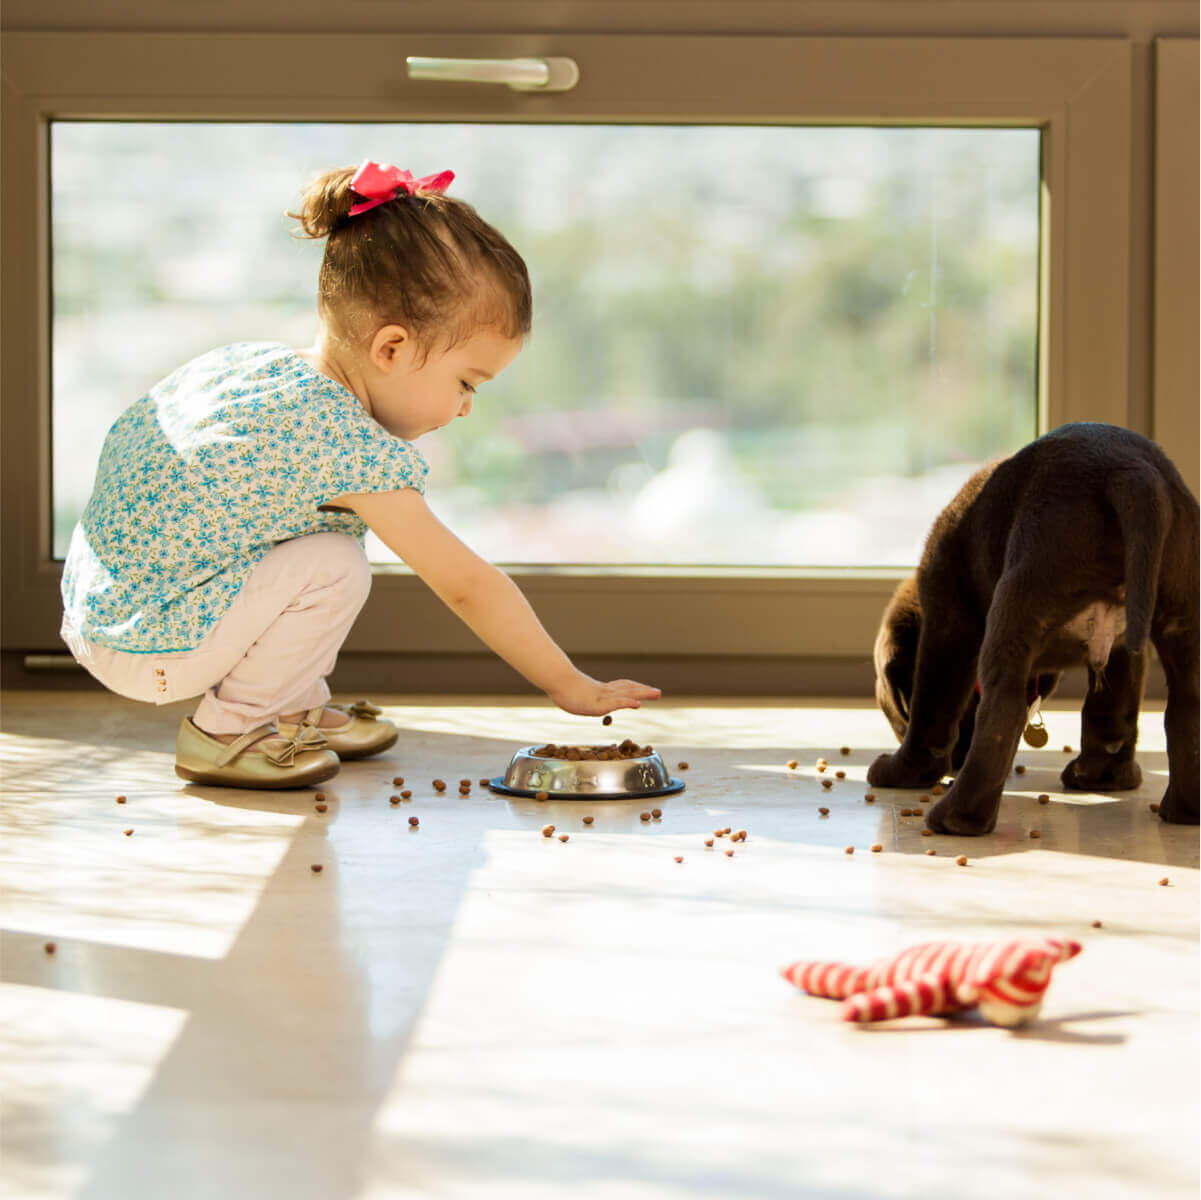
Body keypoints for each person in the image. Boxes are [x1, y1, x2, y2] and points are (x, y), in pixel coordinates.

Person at [60, 160, 661, 789]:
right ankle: (229, 730)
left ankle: (292, 709)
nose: (464, 408)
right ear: (392, 349)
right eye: (465, 383)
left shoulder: (256, 365)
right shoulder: (347, 445)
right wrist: (568, 684)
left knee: (317, 539)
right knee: (334, 564)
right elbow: (467, 584)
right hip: (147, 646)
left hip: (103, 608)